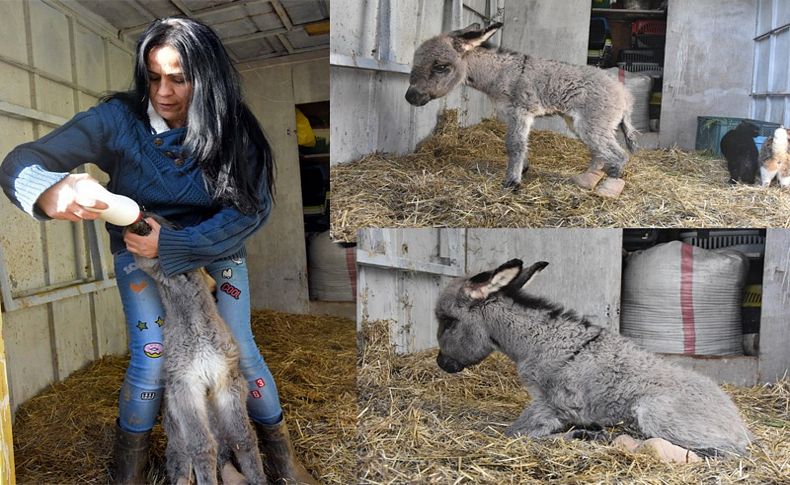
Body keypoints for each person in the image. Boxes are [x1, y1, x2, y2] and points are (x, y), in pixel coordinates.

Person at [0, 17, 317, 485]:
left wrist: (175, 243)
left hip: (214, 247)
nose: (162, 92)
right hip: (138, 252)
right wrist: (46, 187)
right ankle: (126, 471)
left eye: (179, 78)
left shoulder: (232, 126)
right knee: (152, 361)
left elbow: (252, 209)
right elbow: (20, 161)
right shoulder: (116, 120)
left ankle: (282, 461)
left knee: (239, 351)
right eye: (153, 77)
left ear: (206, 79)